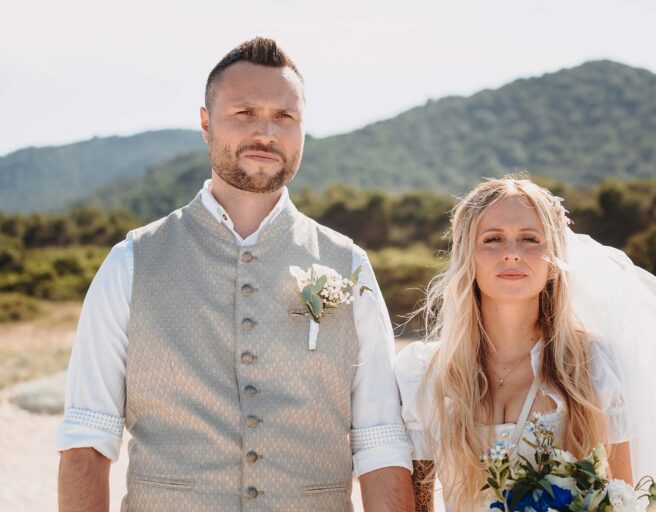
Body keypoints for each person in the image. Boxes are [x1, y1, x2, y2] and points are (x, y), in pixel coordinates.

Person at [57, 37, 415, 512]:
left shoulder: (348, 265)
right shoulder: (130, 263)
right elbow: (87, 439)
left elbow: (380, 442)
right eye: (245, 113)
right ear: (206, 123)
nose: (265, 131)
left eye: (284, 116)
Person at [394, 177, 656, 511]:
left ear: (553, 258)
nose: (512, 252)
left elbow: (621, 497)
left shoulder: (593, 366)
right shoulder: (423, 374)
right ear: (465, 255)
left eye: (530, 238)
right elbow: (420, 503)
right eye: (492, 239)